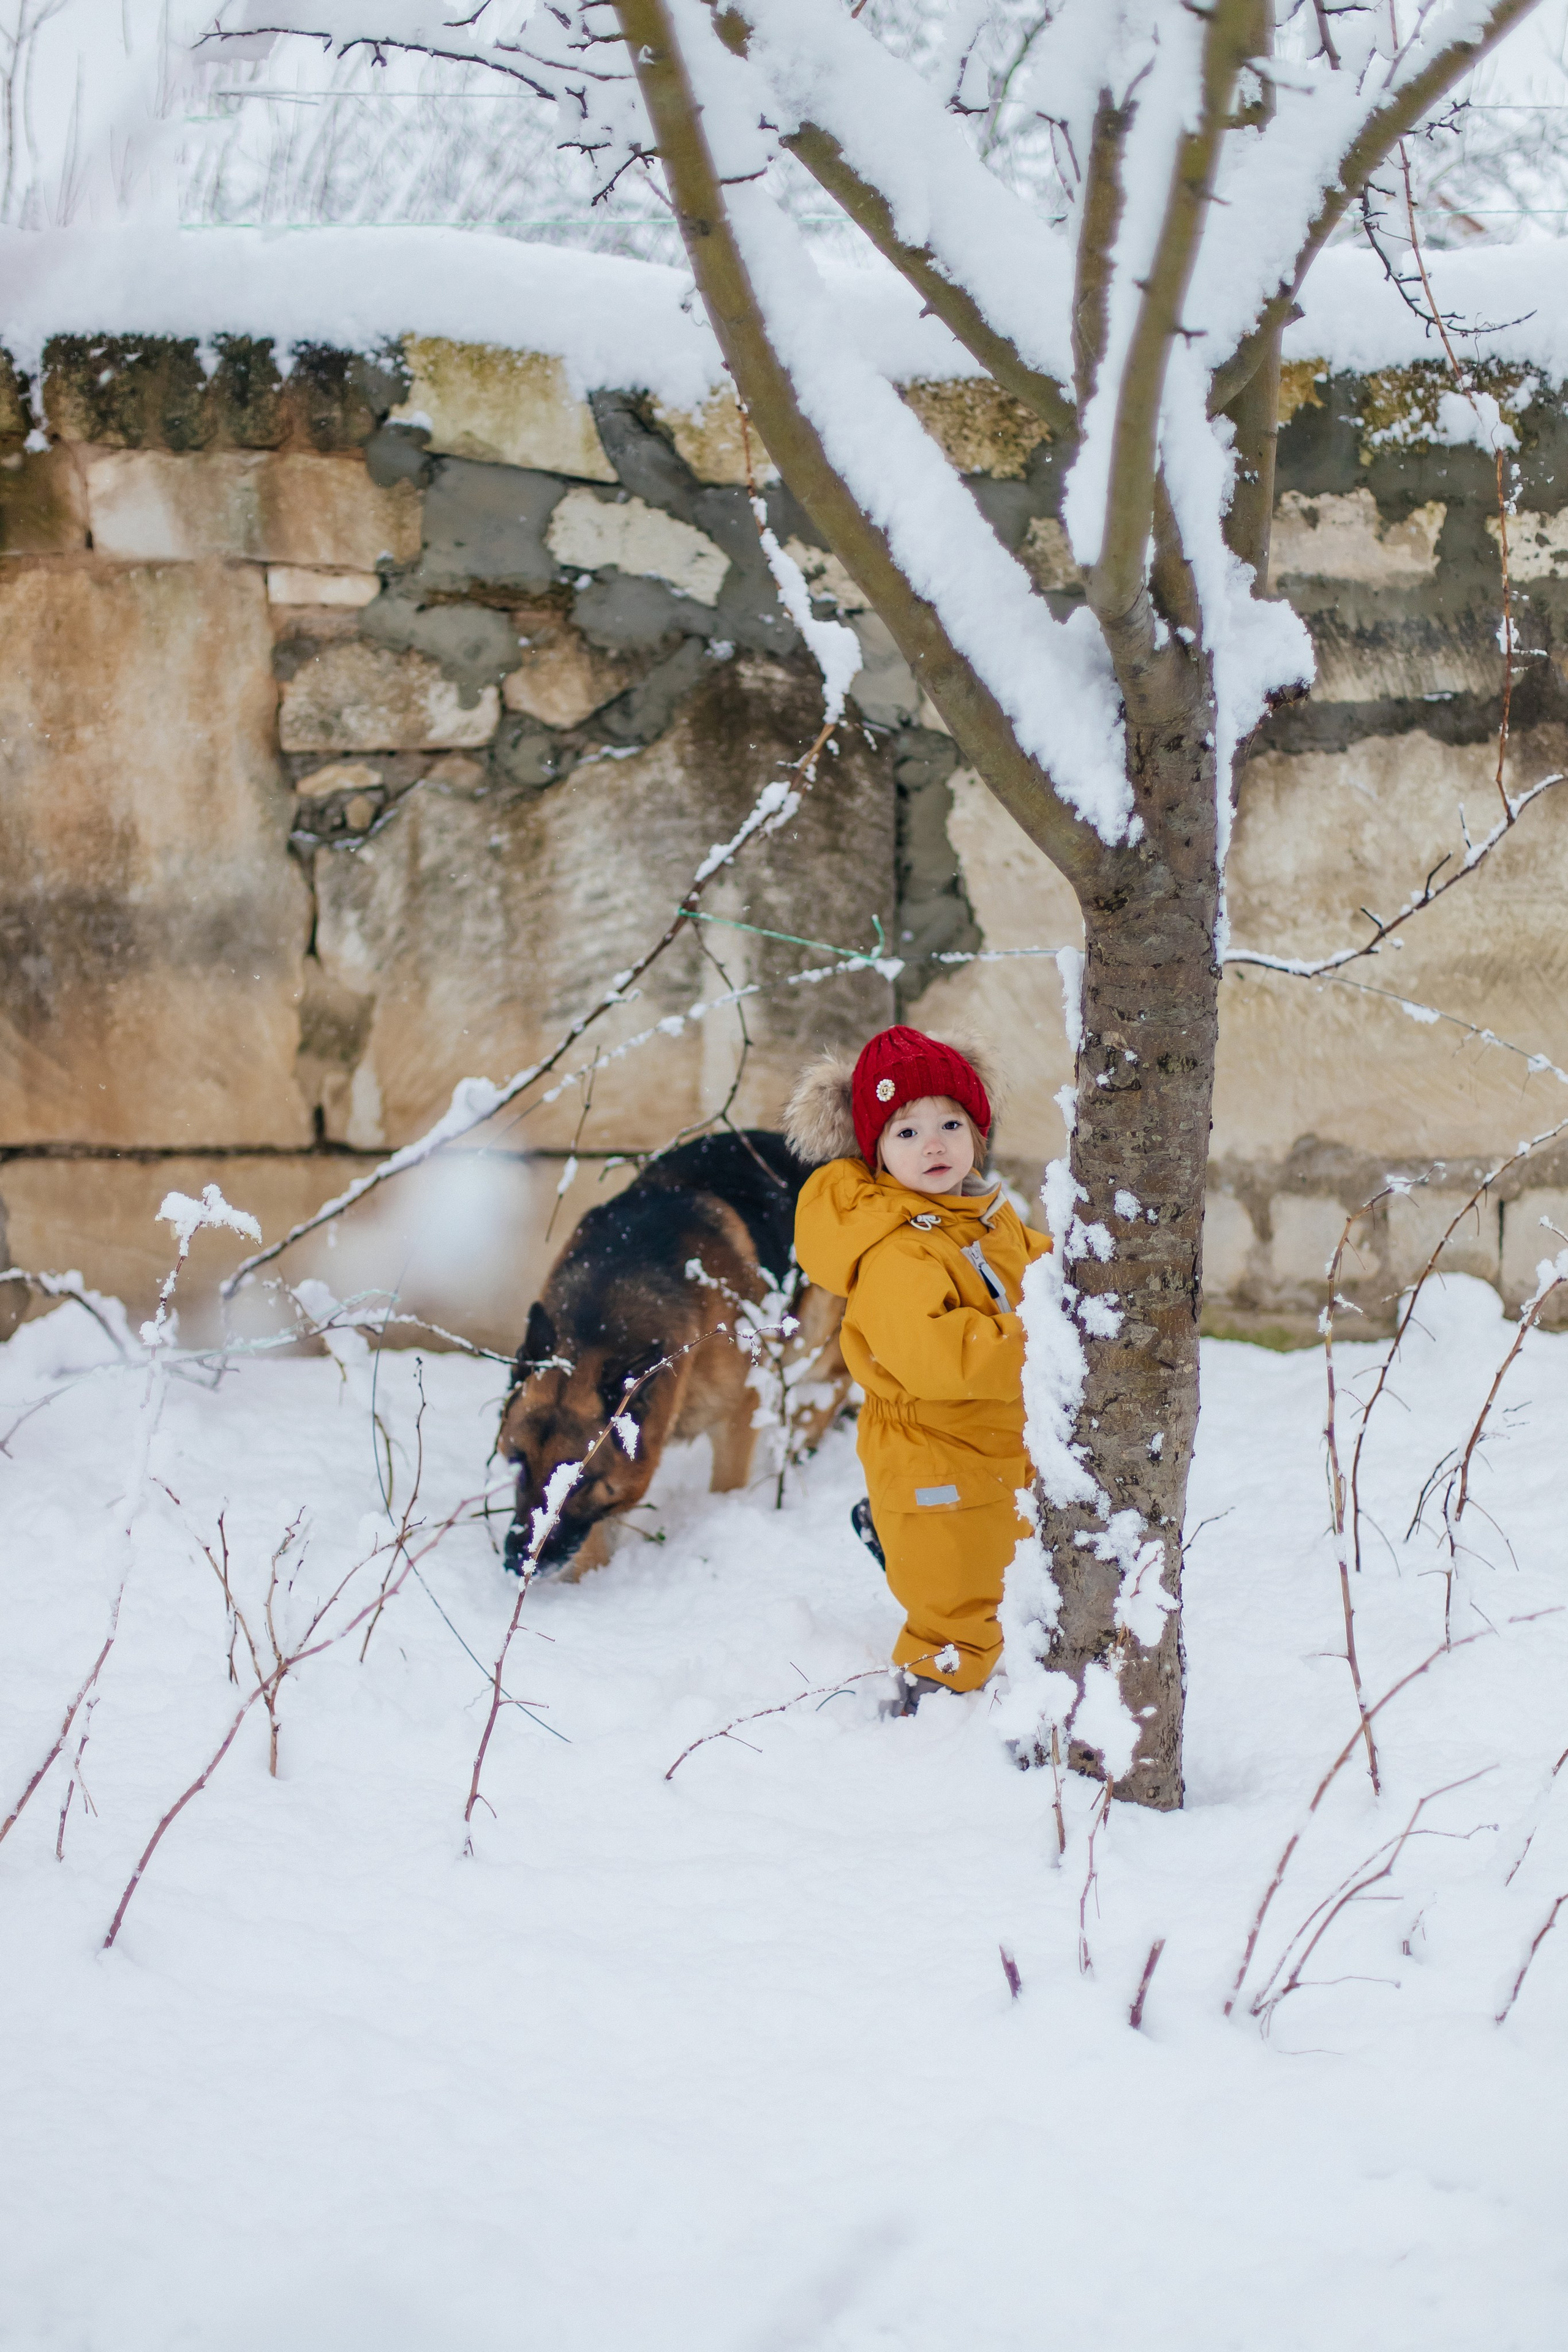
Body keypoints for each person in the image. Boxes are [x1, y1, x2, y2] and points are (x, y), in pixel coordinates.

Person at [786, 1024, 1052, 1714]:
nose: (933, 1143)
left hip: (992, 1443)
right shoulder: (897, 1254)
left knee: (998, 1571)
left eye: (949, 1122)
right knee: (956, 1608)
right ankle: (928, 1707)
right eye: (905, 1132)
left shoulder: (984, 1215)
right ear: (872, 1152)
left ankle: (900, 1542)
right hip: (932, 1453)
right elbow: (943, 1358)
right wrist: (1045, 1334)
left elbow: (1033, 1264)